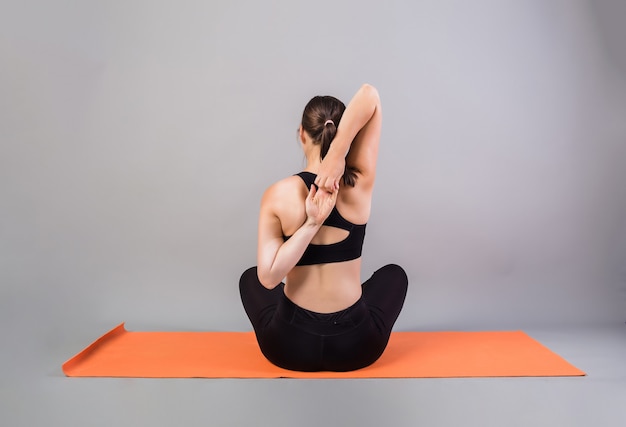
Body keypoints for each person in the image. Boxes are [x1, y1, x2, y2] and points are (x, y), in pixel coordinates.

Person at [239, 84, 408, 372]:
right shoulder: (359, 183)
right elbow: (370, 95)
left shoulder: (277, 193)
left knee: (250, 279)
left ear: (301, 134)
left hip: (289, 347)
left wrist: (310, 224)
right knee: (394, 276)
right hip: (356, 347)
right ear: (344, 132)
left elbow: (268, 279)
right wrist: (340, 154)